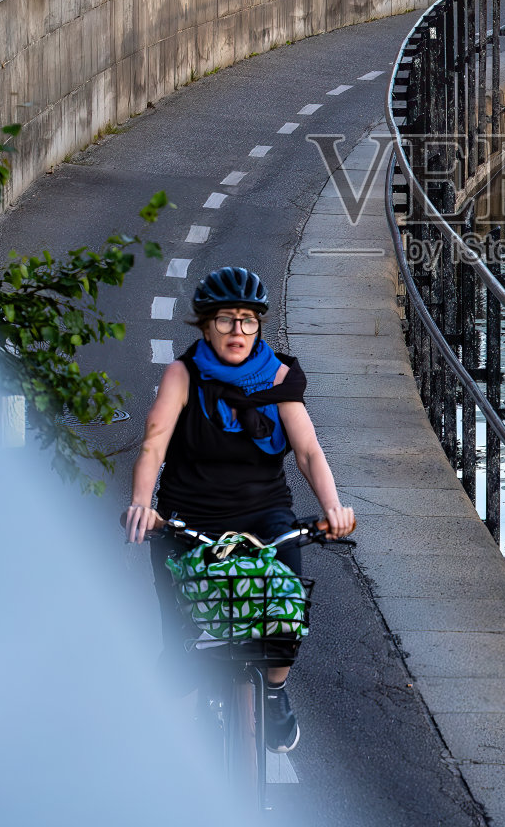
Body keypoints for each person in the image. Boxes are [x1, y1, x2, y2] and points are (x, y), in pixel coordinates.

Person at [124, 265, 355, 751]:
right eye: (226, 320)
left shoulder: (278, 376)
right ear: (205, 326)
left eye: (248, 320)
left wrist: (333, 507)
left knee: (285, 613)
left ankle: (274, 693)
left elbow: (310, 451)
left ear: (259, 326)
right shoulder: (182, 376)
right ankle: (171, 765)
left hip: (263, 518)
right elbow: (153, 444)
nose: (237, 331)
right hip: (189, 521)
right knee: (181, 653)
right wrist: (142, 506)